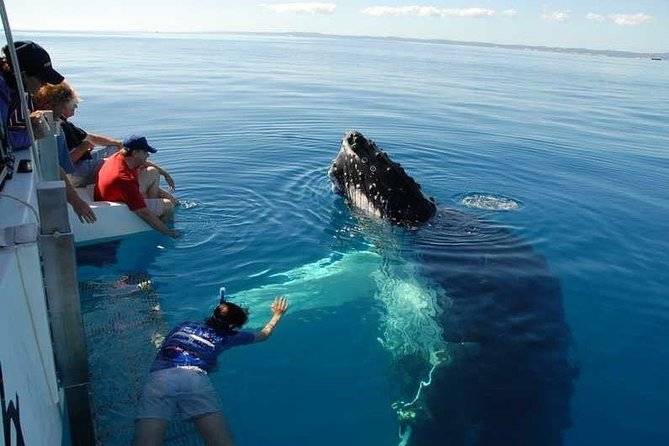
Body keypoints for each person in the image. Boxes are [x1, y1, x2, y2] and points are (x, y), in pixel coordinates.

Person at [133, 292, 289, 446]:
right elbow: (264, 335)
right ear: (233, 327)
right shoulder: (228, 337)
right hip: (194, 380)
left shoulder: (184, 325)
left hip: (160, 378)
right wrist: (277, 315)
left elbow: (165, 348)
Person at [1, 41, 95, 223]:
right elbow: (5, 141)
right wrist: (32, 133)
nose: (44, 84)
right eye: (41, 78)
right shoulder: (3, 90)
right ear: (22, 74)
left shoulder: (19, 90)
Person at [33, 81, 177, 191]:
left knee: (118, 149)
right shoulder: (59, 128)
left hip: (80, 167)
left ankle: (149, 177)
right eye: (73, 105)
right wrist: (83, 148)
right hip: (76, 175)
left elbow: (92, 138)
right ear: (62, 105)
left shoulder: (61, 122)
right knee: (124, 156)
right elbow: (63, 164)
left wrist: (117, 143)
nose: (75, 109)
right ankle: (144, 183)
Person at [94, 135, 178, 237]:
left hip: (117, 190)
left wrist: (165, 174)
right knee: (168, 205)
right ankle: (160, 225)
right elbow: (143, 213)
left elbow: (145, 162)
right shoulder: (125, 179)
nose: (148, 155)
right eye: (145, 152)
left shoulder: (120, 156)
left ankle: (154, 204)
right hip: (117, 200)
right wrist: (169, 233)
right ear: (135, 153)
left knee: (153, 172)